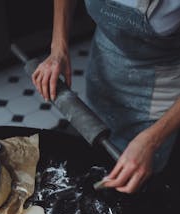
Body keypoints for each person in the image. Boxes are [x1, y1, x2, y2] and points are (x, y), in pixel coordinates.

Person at [32, 0, 180, 194]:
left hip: (157, 92)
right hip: (104, 64)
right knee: (94, 153)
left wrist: (152, 140)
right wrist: (58, 47)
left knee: (136, 184)